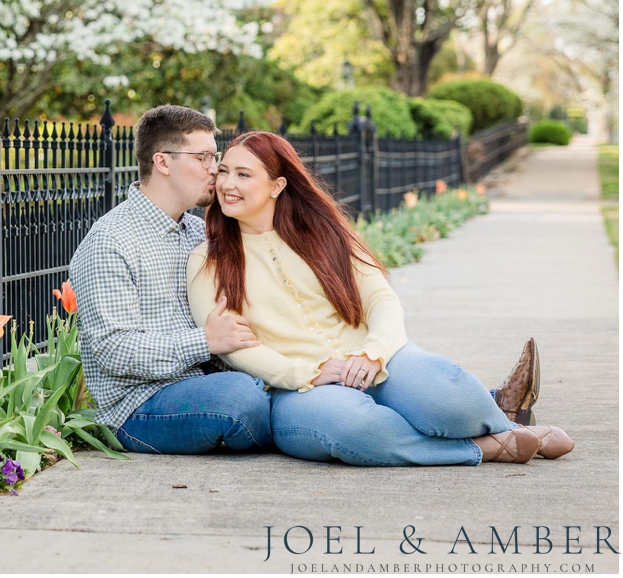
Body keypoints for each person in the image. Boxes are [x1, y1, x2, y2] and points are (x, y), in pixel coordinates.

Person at [186, 130, 573, 466]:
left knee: (453, 402)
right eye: (223, 172)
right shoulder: (209, 261)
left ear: (277, 185)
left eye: (243, 174)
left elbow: (381, 300)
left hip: (375, 360)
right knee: (354, 428)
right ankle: (491, 445)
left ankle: (496, 417)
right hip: (296, 392)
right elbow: (232, 349)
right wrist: (309, 373)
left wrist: (373, 353)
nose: (227, 184)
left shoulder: (324, 234)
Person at [69, 105, 273, 455]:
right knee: (240, 399)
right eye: (204, 157)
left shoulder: (198, 232)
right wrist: (204, 342)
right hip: (137, 409)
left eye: (216, 156)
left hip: (207, 384)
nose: (216, 170)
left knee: (271, 388)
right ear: (162, 162)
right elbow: (113, 349)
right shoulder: (110, 240)